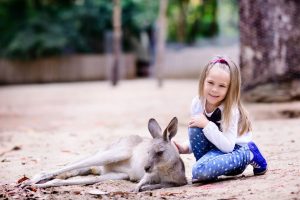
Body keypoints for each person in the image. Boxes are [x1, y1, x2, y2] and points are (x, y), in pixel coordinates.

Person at [174, 55, 268, 183]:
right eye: (210, 83)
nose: (214, 89)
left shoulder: (231, 110)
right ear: (203, 81)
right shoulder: (198, 103)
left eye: (222, 86)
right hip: (215, 150)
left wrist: (207, 125)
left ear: (230, 89)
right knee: (195, 127)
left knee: (199, 171)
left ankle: (249, 153)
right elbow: (200, 135)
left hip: (234, 150)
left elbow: (228, 147)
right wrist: (184, 147)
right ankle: (207, 170)